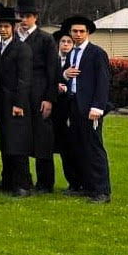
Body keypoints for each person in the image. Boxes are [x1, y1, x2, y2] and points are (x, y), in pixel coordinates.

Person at [61, 14, 112, 203]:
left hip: (91, 107)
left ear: (88, 32)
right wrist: (64, 75)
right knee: (78, 146)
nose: (78, 34)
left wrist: (98, 107)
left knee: (94, 147)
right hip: (74, 105)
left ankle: (102, 191)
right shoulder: (71, 53)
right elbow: (66, 76)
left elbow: (103, 82)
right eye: (75, 31)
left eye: (82, 31)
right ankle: (85, 185)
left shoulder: (96, 53)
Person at [16, 0, 57, 193]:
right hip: (21, 94)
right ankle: (24, 179)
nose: (24, 20)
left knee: (43, 140)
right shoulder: (15, 39)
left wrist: (49, 98)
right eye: (21, 16)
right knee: (22, 138)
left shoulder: (46, 39)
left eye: (28, 16)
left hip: (40, 92)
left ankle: (45, 182)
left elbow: (53, 71)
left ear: (36, 18)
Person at [0, 4, 32, 197]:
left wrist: (19, 104)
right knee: (6, 142)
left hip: (16, 103)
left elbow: (24, 79)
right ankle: (8, 180)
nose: (2, 30)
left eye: (6, 27)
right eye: (0, 26)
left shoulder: (22, 49)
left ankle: (22, 183)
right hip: (1, 102)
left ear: (13, 28)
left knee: (18, 143)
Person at [52, 30, 80, 192]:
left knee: (73, 148)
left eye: (69, 42)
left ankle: (77, 182)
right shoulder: (54, 60)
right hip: (56, 110)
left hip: (72, 109)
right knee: (62, 149)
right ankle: (71, 182)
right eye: (63, 42)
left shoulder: (76, 61)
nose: (66, 45)